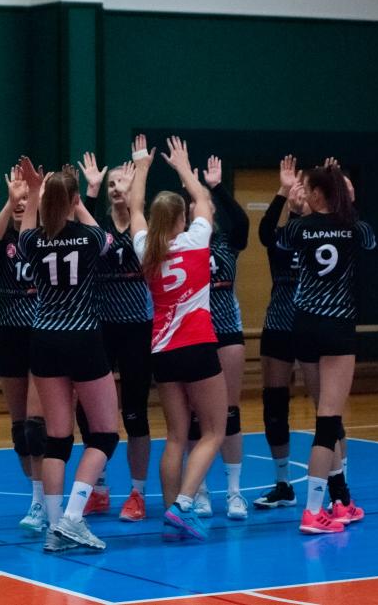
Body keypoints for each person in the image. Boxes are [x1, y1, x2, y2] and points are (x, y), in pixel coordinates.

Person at [16, 158, 119, 553]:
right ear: (75, 200)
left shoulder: (33, 241)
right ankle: (73, 518)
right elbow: (106, 238)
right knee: (105, 434)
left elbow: (25, 229)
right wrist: (78, 204)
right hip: (83, 338)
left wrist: (35, 191)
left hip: (43, 339)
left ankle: (54, 527)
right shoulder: (89, 238)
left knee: (57, 439)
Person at [128, 135, 227, 542]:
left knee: (174, 436)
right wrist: (184, 168)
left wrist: (142, 168)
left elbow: (134, 208)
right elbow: (203, 200)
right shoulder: (196, 240)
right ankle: (184, 504)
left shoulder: (145, 249)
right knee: (214, 431)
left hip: (163, 350)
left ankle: (172, 512)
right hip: (198, 345)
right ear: (182, 218)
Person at [277, 160, 374, 534]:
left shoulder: (298, 228)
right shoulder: (355, 228)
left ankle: (341, 502)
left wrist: (293, 206)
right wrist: (348, 201)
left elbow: (278, 240)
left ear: (315, 194)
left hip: (303, 326)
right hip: (337, 328)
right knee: (328, 421)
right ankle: (314, 511)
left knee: (325, 414)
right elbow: (370, 242)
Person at [77, 153, 154, 521]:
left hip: (138, 328)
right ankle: (99, 488)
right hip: (101, 327)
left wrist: (138, 183)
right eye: (112, 183)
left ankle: (137, 493)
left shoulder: (144, 228)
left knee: (135, 412)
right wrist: (91, 190)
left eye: (123, 181)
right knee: (89, 413)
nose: (116, 187)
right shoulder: (100, 226)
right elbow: (81, 230)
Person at [0, 164, 46, 532]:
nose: (22, 203)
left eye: (27, 198)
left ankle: (40, 503)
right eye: (16, 198)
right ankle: (36, 494)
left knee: (37, 426)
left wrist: (36, 195)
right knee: (20, 428)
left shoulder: (45, 239)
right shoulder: (4, 242)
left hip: (42, 335)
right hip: (10, 337)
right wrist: (10, 203)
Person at [254, 155, 320, 508]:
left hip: (313, 324)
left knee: (326, 408)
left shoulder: (324, 233)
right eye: (298, 188)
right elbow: (265, 232)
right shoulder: (282, 234)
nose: (300, 193)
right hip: (279, 324)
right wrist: (282, 193)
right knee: (275, 404)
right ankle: (283, 483)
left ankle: (337, 486)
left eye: (306, 189)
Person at [189, 155, 250, 520]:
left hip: (226, 331)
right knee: (196, 416)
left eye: (209, 205)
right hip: (195, 335)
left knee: (229, 412)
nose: (205, 210)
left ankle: (234, 491)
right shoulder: (183, 243)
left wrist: (217, 188)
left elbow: (242, 221)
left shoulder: (227, 243)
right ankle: (199, 489)